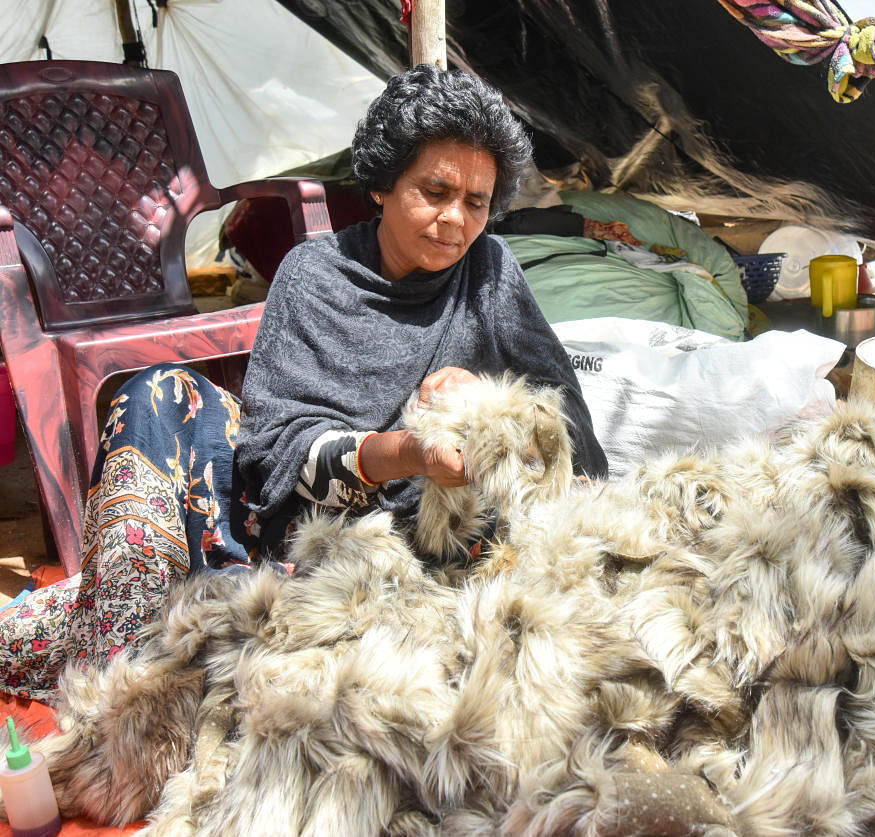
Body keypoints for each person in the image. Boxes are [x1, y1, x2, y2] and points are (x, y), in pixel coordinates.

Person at [0, 64, 607, 701]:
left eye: (476, 202)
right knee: (156, 396)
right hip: (305, 535)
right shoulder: (315, 277)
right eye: (434, 191)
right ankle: (125, 657)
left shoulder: (491, 271)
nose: (455, 219)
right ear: (382, 183)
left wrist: (485, 400)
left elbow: (561, 409)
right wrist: (407, 451)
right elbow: (272, 457)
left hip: (422, 553)